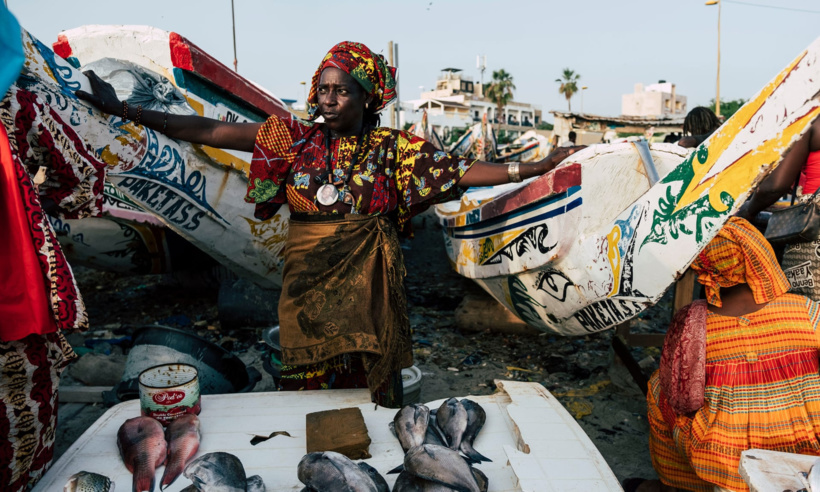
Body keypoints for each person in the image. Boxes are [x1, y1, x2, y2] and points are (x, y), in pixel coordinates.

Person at [78, 41, 583, 407]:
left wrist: (530, 168)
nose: (327, 98)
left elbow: (456, 170)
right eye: (321, 88)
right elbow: (209, 129)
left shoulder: (391, 150)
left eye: (340, 90)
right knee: (305, 384)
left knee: (370, 388)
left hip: (371, 290)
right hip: (307, 289)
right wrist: (124, 109)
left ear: (367, 98)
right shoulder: (292, 139)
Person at [627, 217, 820, 492]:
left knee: (659, 388)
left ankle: (678, 485)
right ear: (758, 255)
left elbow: (680, 392)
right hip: (807, 449)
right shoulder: (806, 310)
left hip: (723, 457)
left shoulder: (691, 323)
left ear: (704, 269)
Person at [0, 5, 106, 490]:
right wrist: (32, 204)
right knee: (20, 439)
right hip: (14, 302)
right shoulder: (19, 105)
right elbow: (84, 183)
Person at [737, 116, 820, 299]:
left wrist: (749, 210)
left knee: (808, 305)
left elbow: (775, 186)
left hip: (814, 228)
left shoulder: (812, 122)